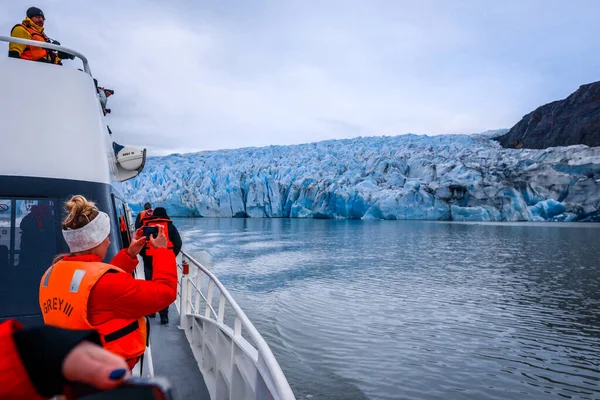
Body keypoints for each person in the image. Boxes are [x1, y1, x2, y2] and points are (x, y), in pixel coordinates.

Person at [39, 195, 177, 369]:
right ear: (95, 241)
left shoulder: (52, 273)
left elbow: (93, 284)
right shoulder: (108, 286)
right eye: (106, 236)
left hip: (71, 366)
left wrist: (130, 254)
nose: (109, 241)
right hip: (105, 377)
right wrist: (161, 251)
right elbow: (165, 291)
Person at [0, 319, 130, 399]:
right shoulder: (110, 279)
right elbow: (147, 299)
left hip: (77, 358)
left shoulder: (52, 276)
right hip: (109, 352)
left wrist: (28, 356)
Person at [141, 207, 182, 325]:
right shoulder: (169, 227)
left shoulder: (148, 225)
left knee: (150, 286)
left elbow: (142, 244)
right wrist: (169, 256)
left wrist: (145, 256)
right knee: (163, 289)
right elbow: (178, 243)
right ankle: (164, 316)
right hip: (163, 262)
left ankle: (152, 312)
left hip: (149, 262)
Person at [8, 7, 73, 64]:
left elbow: (47, 57)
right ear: (30, 18)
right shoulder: (22, 29)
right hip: (29, 69)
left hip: (44, 69)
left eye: (43, 18)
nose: (41, 20)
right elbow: (14, 55)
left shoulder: (43, 36)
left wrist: (60, 56)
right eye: (38, 17)